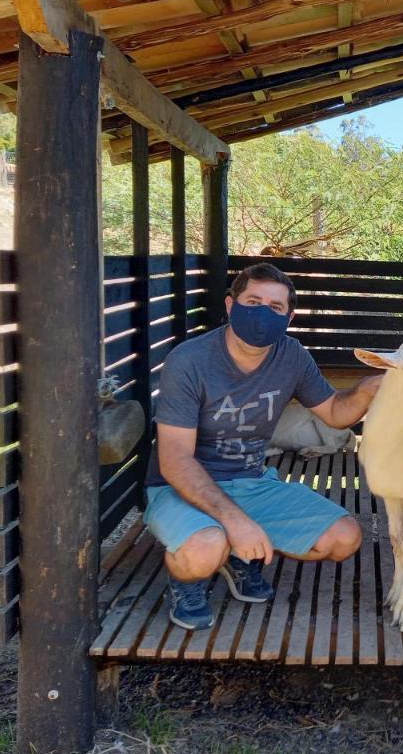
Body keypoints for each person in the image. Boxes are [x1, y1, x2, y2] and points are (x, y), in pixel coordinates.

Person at [144, 262, 380, 631]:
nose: (261, 314)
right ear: (230, 305)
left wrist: (366, 390)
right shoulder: (189, 361)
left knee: (344, 538)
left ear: (290, 316)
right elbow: (174, 460)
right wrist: (236, 522)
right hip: (180, 486)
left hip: (252, 482)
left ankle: (239, 554)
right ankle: (187, 583)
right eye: (253, 301)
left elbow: (334, 413)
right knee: (207, 545)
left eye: (274, 308)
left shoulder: (292, 356)